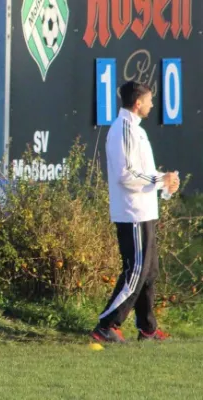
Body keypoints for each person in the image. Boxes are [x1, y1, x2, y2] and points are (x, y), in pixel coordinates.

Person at [91, 81, 180, 343]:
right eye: (149, 100)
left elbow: (143, 172)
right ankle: (106, 325)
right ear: (137, 103)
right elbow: (125, 175)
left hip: (145, 210)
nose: (153, 105)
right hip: (132, 213)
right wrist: (158, 180)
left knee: (149, 271)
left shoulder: (136, 130)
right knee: (136, 271)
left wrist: (165, 180)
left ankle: (147, 329)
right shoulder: (124, 129)